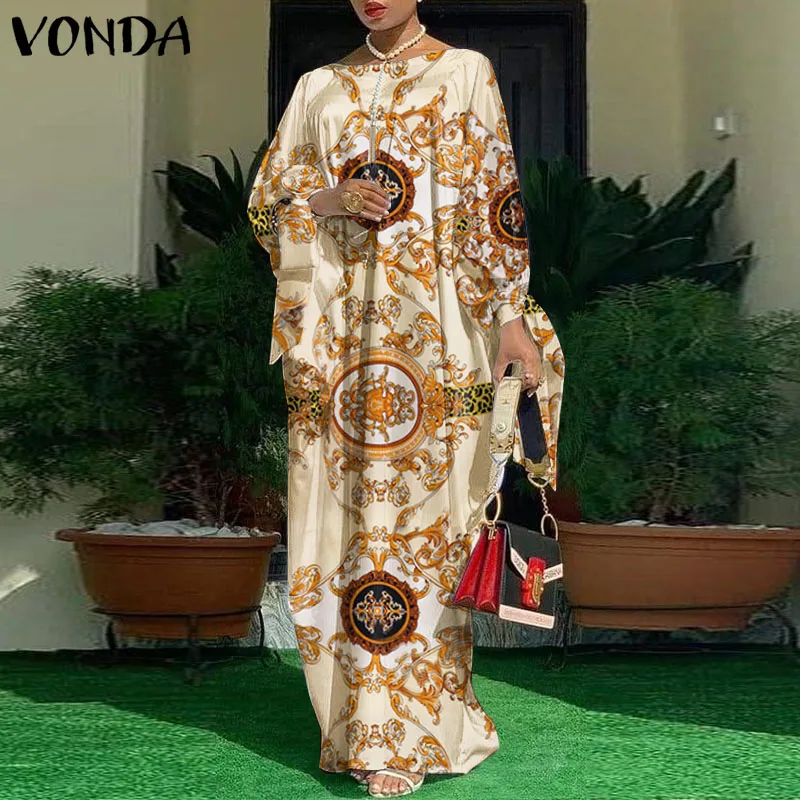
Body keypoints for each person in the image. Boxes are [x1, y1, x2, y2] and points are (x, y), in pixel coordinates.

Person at [248, 1, 564, 796]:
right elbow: (266, 205)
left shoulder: (464, 74)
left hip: (440, 335)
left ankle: (424, 726)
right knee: (339, 521)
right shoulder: (318, 87)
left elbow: (495, 205)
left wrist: (511, 320)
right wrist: (327, 201)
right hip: (335, 345)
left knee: (433, 525)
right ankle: (358, 728)